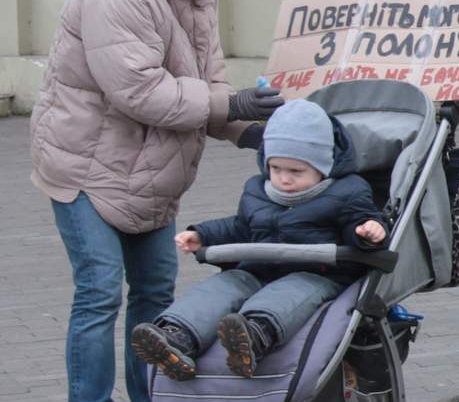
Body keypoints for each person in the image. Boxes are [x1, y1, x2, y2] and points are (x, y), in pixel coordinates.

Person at [31, 0, 281, 402]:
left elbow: (206, 79)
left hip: (149, 171)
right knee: (98, 298)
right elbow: (141, 92)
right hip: (88, 168)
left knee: (156, 303)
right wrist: (234, 102)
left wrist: (253, 131)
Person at [129, 100, 387, 380]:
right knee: (221, 287)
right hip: (258, 269)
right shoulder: (258, 189)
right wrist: (202, 234)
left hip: (316, 272)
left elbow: (360, 222)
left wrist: (369, 231)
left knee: (288, 294)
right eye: (275, 169)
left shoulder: (347, 191)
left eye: (295, 172)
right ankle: (177, 337)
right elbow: (240, 226)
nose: (283, 179)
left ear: (324, 166)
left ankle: (254, 335)